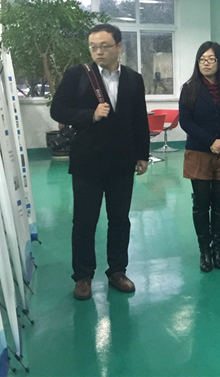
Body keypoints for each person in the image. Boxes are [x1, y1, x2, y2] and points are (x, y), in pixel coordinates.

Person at [51, 23, 149, 300]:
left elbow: (139, 118)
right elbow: (58, 109)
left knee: (120, 220)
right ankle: (83, 276)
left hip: (122, 162)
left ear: (119, 47)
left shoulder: (133, 79)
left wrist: (142, 154)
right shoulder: (78, 75)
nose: (98, 52)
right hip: (88, 162)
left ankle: (117, 271)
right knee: (84, 221)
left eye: (104, 46)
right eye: (93, 47)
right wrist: (90, 114)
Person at [179, 42, 220, 273]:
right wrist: (210, 142)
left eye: (211, 59)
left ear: (219, 62)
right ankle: (204, 250)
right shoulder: (189, 88)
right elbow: (185, 121)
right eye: (202, 59)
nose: (206, 63)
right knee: (200, 204)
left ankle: (218, 249)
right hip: (199, 153)